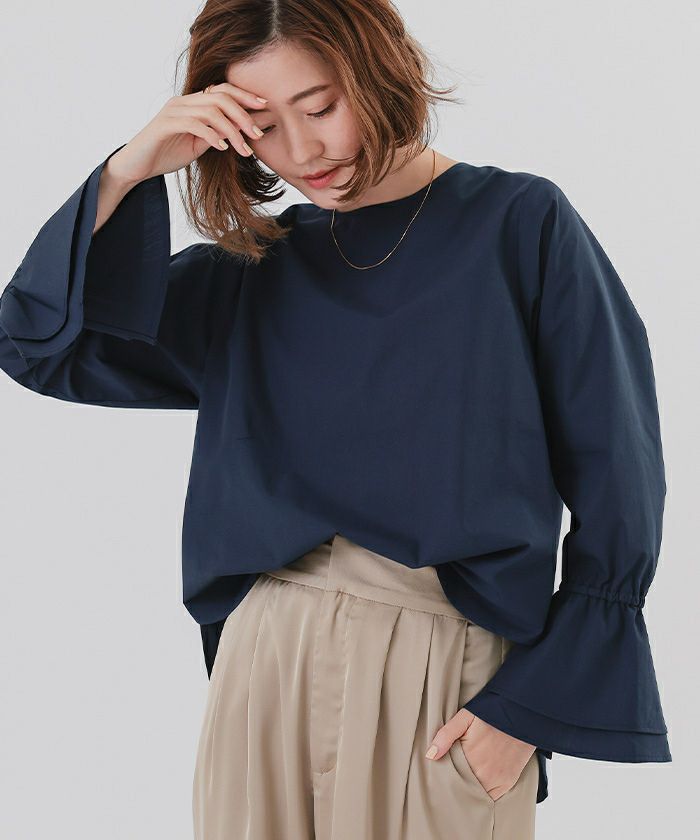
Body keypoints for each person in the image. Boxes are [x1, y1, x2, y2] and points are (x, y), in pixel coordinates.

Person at [0, 2, 670, 838]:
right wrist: (128, 171)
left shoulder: (519, 226)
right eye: (262, 126)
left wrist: (530, 709)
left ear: (379, 68)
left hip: (442, 672)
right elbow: (38, 344)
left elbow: (619, 478)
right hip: (263, 664)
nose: (303, 150)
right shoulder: (254, 270)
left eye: (319, 107)